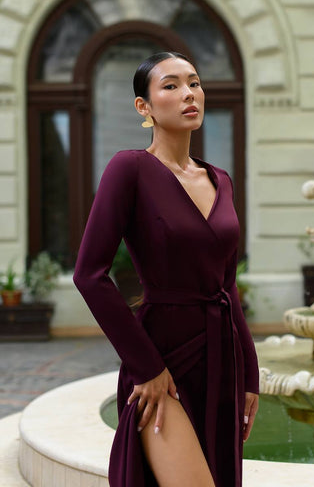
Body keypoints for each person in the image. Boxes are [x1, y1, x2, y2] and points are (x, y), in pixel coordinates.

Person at [73, 51, 259, 487]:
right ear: (145, 106)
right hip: (163, 355)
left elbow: (227, 285)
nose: (188, 94)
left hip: (223, 355)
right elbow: (89, 275)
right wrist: (146, 367)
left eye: (194, 83)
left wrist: (250, 372)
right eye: (171, 86)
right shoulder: (129, 169)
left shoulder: (220, 180)